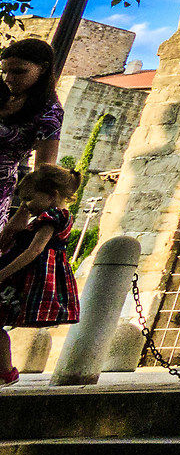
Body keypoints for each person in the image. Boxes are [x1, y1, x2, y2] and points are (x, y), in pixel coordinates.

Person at [0, 164, 81, 382]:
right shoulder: (48, 216)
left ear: (51, 195)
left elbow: (35, 250)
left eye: (29, 198)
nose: (25, 205)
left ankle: (6, 372)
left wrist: (3, 273)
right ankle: (5, 372)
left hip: (28, 277)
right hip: (22, 275)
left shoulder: (52, 217)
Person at [0, 41, 63, 228]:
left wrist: (21, 216)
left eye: (19, 72)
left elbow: (44, 171)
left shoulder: (49, 112)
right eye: (4, 71)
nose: (8, 78)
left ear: (43, 68)